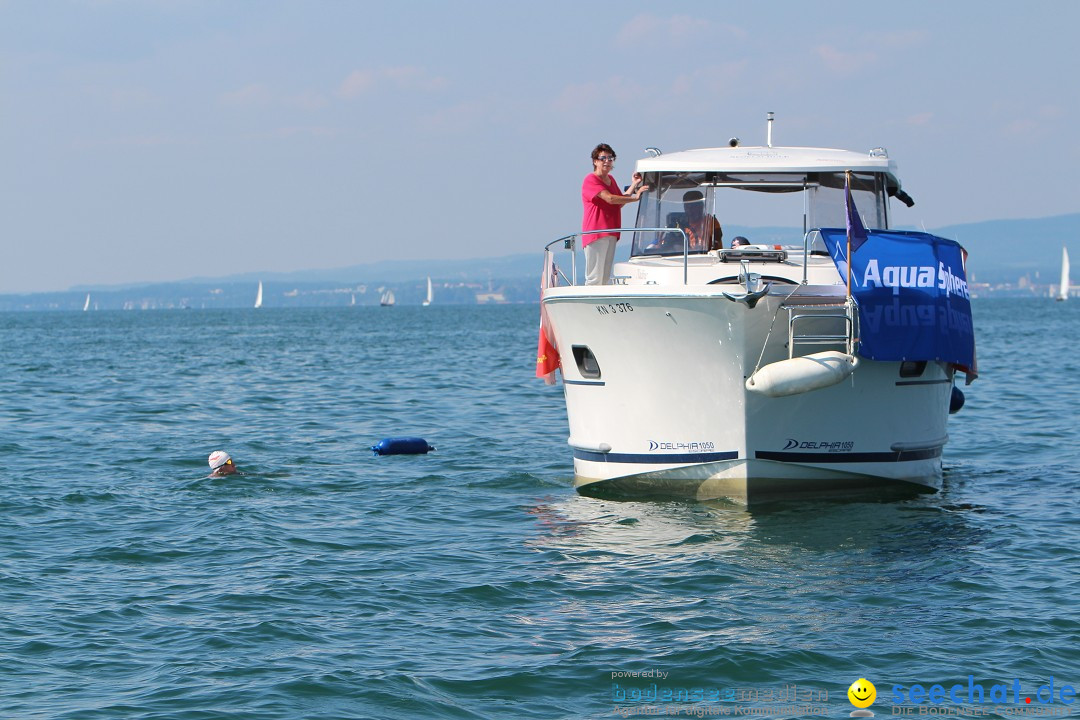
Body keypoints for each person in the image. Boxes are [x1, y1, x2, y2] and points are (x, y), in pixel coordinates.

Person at [581, 143, 648, 285]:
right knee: (595, 278)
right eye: (603, 158)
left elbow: (620, 201)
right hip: (596, 232)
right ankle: (592, 304)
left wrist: (634, 185)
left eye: (610, 158)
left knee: (605, 277)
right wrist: (635, 197)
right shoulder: (590, 180)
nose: (607, 161)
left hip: (611, 232)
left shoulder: (611, 180)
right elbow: (610, 198)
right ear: (595, 161)